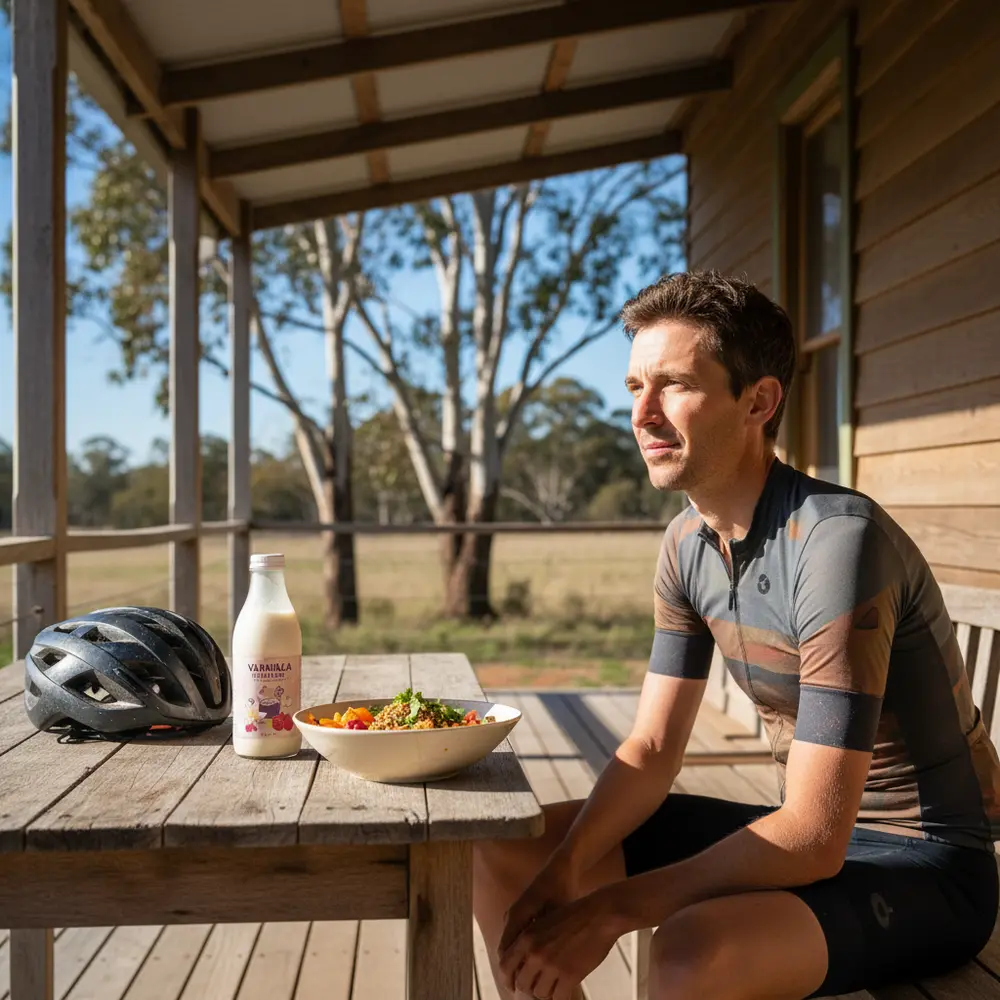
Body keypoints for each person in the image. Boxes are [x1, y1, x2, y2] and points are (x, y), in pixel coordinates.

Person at [473, 271, 1000, 1000]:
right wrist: (565, 870)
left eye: (674, 385)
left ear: (758, 401)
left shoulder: (838, 543)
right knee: (514, 848)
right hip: (799, 835)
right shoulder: (687, 544)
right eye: (634, 388)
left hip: (924, 864)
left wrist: (610, 909)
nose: (644, 414)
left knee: (692, 949)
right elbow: (653, 748)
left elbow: (816, 837)